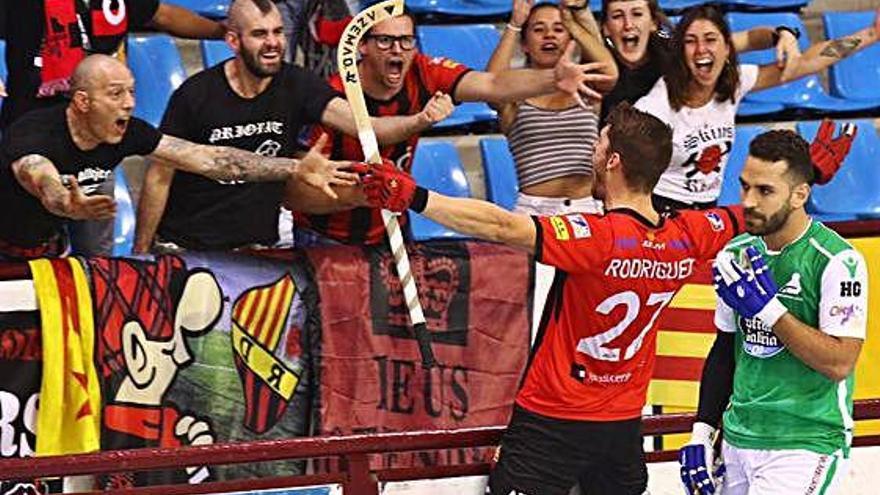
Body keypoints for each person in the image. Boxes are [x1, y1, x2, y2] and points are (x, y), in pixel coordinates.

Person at [358, 102, 745, 495]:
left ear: (613, 161)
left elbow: (501, 225)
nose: (590, 154)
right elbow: (750, 216)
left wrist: (415, 197)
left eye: (598, 145)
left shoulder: (598, 238)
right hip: (623, 425)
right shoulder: (688, 235)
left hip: (553, 419)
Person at [133, 0, 445, 254]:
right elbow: (159, 176)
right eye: (259, 34)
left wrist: (421, 120)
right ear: (233, 40)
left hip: (258, 253)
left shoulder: (298, 84)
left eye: (278, 32)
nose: (272, 43)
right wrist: (141, 253)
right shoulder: (196, 94)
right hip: (190, 249)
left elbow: (368, 128)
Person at [284, 8, 613, 245]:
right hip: (325, 237)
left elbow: (493, 83)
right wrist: (420, 121)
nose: (397, 49)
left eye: (406, 41)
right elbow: (305, 188)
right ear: (363, 46)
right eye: (385, 41)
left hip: (391, 230)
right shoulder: (334, 93)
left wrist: (553, 77)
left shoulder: (425, 72)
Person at [0, 55, 354, 261]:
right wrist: (65, 204)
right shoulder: (34, 133)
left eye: (132, 92)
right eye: (116, 94)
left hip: (45, 247)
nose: (129, 103)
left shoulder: (127, 131)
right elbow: (40, 177)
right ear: (81, 102)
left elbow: (210, 159)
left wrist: (295, 167)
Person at [679, 130, 868, 495]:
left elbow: (839, 362)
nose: (749, 201)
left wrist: (769, 310)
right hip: (738, 435)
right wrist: (701, 434)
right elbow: (725, 350)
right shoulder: (734, 254)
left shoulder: (837, 261)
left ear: (800, 195)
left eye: (764, 191)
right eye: (745, 186)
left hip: (807, 439)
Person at [0, 0, 226, 258]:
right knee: (24, 246)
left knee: (98, 261)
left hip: (97, 140)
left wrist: (223, 32)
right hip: (34, 138)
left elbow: (161, 15)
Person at [634, 4, 880, 214]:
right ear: (679, 52)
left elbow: (810, 60)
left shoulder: (733, 83)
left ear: (726, 48)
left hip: (707, 212)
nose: (701, 50)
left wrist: (870, 34)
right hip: (661, 212)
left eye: (710, 40)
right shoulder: (657, 103)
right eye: (690, 41)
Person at [488, 0, 617, 216]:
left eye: (559, 29)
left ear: (569, 40)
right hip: (534, 211)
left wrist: (573, 24)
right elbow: (491, 83)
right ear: (525, 45)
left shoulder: (585, 87)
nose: (549, 35)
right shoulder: (516, 95)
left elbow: (609, 71)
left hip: (588, 207)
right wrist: (515, 24)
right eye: (538, 29)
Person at [598, 0, 801, 124]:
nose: (628, 25)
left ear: (653, 23)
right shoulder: (595, 60)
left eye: (637, 14)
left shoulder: (674, 49)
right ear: (605, 27)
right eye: (617, 16)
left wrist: (784, 33)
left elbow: (748, 38)